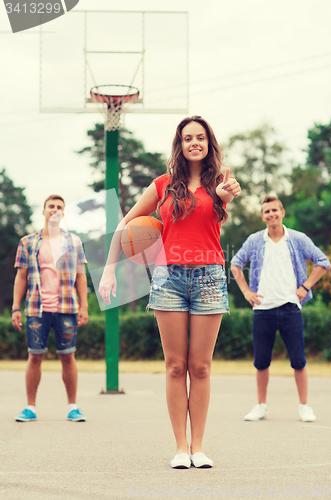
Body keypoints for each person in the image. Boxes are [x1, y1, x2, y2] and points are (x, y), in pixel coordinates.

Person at [99, 116, 241, 468]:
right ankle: (180, 447)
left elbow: (218, 216)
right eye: (188, 138)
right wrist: (108, 271)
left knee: (201, 367)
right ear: (180, 144)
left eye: (201, 137)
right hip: (168, 279)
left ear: (209, 143)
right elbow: (124, 226)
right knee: (176, 366)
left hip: (209, 276)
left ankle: (199, 447)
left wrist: (225, 197)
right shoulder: (162, 185)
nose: (195, 142)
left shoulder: (221, 183)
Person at [230, 195, 331, 423]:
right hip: (262, 310)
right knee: (261, 362)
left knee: (298, 360)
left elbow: (323, 262)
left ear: (282, 212)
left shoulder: (297, 239)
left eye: (275, 210)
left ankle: (304, 406)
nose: (271, 214)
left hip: (290, 309)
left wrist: (305, 286)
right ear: (262, 216)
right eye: (267, 212)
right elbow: (235, 264)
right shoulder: (255, 240)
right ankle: (261, 405)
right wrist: (246, 292)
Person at [12, 195, 88, 422]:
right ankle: (30, 408)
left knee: (68, 356)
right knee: (35, 356)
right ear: (44, 211)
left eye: (59, 207)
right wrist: (16, 307)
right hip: (37, 308)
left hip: (66, 307)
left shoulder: (73, 241)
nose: (55, 210)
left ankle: (73, 407)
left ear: (63, 213)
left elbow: (81, 276)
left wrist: (84, 305)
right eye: (51, 206)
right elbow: (21, 277)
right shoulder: (28, 242)